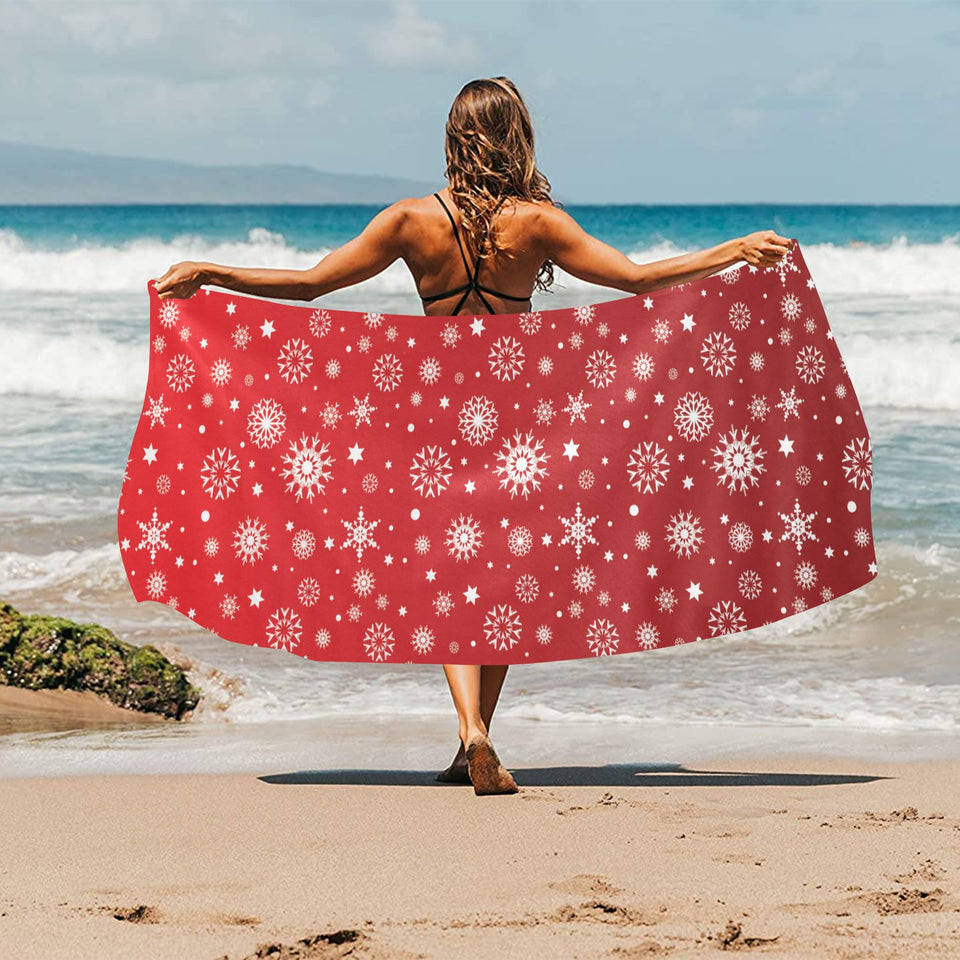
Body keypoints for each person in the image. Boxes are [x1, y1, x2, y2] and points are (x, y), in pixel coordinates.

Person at [154, 76, 794, 796]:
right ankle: (476, 734)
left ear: (455, 137)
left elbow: (310, 285)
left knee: (450, 574)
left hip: (435, 415)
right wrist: (734, 249)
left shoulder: (409, 219)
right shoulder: (539, 222)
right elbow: (638, 281)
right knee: (503, 574)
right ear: (518, 137)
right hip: (518, 414)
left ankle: (472, 736)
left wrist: (212, 272)